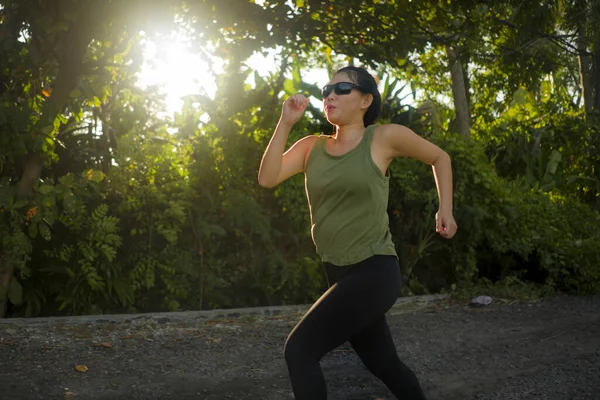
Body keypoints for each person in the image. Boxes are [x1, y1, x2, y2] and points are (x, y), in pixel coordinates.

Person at [257, 66, 457, 400]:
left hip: (375, 271)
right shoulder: (311, 147)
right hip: (338, 274)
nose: (329, 95)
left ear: (366, 99)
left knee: (300, 350)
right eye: (326, 89)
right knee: (385, 364)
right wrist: (286, 123)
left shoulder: (382, 138)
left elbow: (440, 157)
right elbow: (267, 177)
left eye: (341, 89)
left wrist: (445, 208)